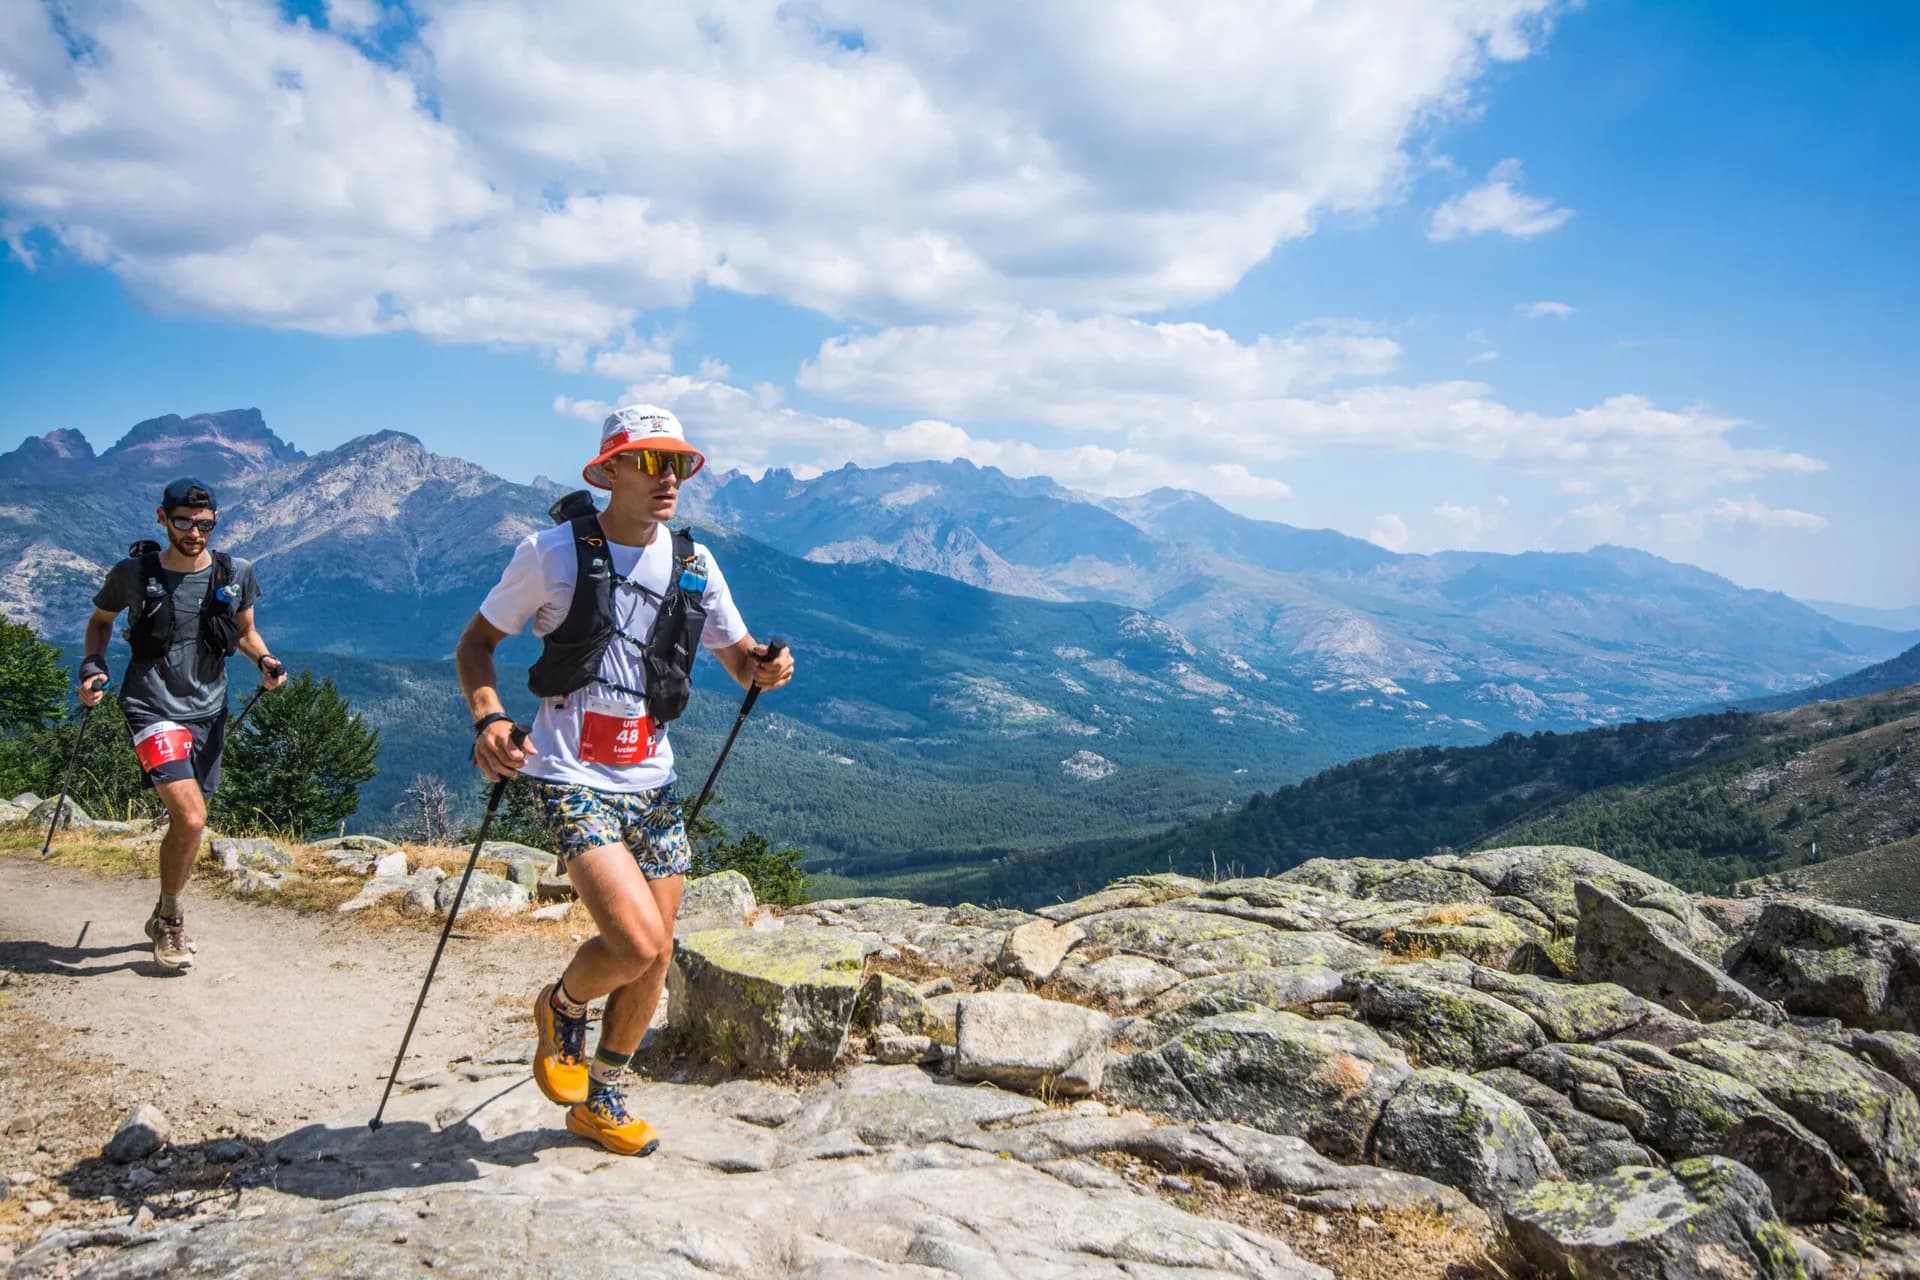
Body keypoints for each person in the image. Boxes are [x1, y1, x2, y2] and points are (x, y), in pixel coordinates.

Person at [456, 405, 793, 1157]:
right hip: (568, 770)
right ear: (608, 471)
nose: (667, 476)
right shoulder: (550, 554)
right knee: (636, 943)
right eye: (648, 461)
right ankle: (563, 1005)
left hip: (652, 776)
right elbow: (477, 644)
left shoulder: (697, 564)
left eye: (676, 463)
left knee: (658, 951)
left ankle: (601, 1098)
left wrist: (765, 670)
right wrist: (489, 720)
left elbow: (739, 660)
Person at [79, 477, 287, 971]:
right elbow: (101, 620)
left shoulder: (236, 571)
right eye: (182, 522)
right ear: (162, 518)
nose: (194, 532)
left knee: (190, 824)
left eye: (204, 523)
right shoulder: (133, 573)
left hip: (210, 710)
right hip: (150, 707)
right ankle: (172, 920)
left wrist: (265, 660)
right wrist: (92, 666)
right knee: (192, 818)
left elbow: (245, 632)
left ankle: (161, 909)